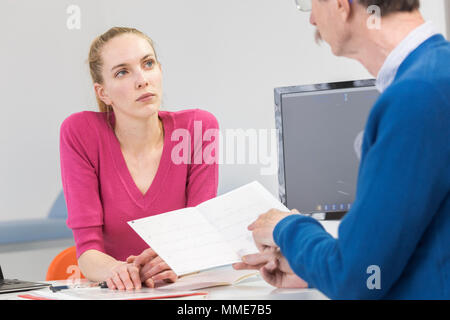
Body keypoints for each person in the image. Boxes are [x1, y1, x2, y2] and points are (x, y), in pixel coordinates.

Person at [234, 0, 450, 299]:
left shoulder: (416, 96)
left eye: (310, 4)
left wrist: (286, 227)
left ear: (340, 4)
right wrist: (313, 268)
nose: (311, 19)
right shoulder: (435, 76)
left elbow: (356, 278)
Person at [60, 27, 219, 291]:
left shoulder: (198, 128)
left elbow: (199, 240)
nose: (142, 80)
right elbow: (87, 251)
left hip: (180, 293)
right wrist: (118, 270)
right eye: (122, 72)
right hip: (115, 294)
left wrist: (178, 261)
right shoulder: (80, 133)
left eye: (148, 64)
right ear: (103, 93)